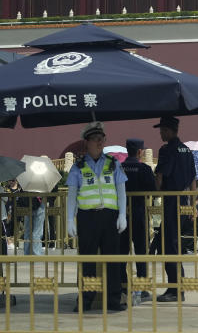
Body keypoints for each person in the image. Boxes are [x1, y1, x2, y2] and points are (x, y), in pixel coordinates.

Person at [66, 121, 128, 312]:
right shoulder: (78, 167)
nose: (100, 142)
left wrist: (123, 214)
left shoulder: (113, 163)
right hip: (87, 218)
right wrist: (70, 218)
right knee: (88, 261)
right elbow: (72, 194)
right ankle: (85, 299)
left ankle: (113, 299)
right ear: (87, 143)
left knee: (112, 260)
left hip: (110, 217)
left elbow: (121, 190)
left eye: (102, 139)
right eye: (95, 139)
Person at [154, 115, 195, 303]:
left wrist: (155, 194)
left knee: (169, 246)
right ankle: (178, 287)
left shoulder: (167, 150)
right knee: (173, 245)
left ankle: (175, 289)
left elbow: (160, 177)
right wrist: (193, 205)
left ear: (169, 130)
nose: (161, 133)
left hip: (171, 202)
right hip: (185, 202)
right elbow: (194, 180)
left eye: (162, 130)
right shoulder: (187, 150)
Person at [119, 138, 155, 304]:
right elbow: (152, 190)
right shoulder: (145, 169)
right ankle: (142, 287)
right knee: (141, 252)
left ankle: (123, 286)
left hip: (121, 215)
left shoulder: (119, 168)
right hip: (139, 214)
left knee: (121, 253)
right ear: (140, 152)